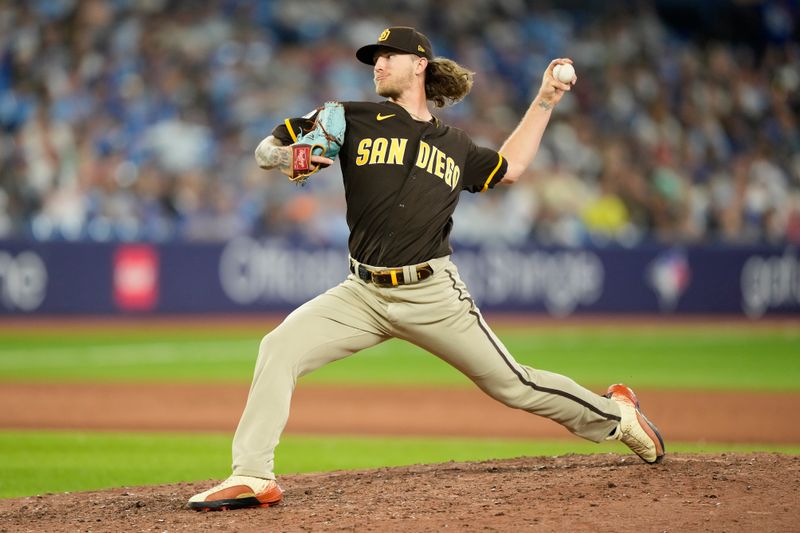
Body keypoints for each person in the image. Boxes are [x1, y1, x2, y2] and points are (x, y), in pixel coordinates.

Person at [188, 26, 664, 511]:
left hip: (432, 294)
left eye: (387, 56)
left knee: (514, 384)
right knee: (279, 347)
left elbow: (509, 168)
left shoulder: (454, 144)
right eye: (374, 58)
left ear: (419, 65)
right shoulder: (349, 116)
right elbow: (264, 150)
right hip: (362, 293)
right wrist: (287, 155)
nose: (377, 64)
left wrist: (544, 98)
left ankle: (617, 416)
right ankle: (252, 474)